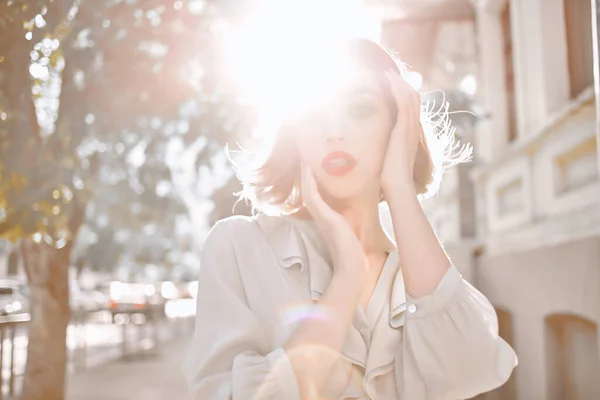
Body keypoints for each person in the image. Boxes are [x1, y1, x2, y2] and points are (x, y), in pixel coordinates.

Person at [183, 38, 518, 399]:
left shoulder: (421, 272)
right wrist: (347, 277)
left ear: (397, 127)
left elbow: (468, 372)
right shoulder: (239, 246)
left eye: (360, 109)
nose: (334, 132)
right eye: (313, 115)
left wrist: (400, 187)